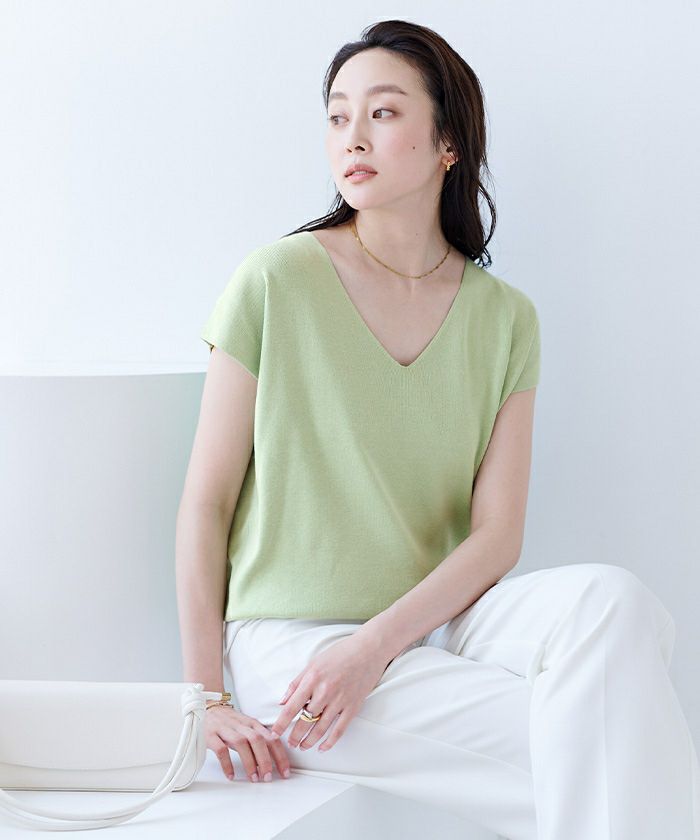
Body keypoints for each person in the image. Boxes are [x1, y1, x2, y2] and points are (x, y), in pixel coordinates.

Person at [176, 19, 700, 840]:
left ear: (448, 142)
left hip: (436, 626)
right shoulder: (276, 281)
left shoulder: (506, 319)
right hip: (296, 649)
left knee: (614, 603)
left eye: (382, 113)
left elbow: (496, 538)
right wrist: (206, 697)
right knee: (617, 740)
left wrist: (376, 648)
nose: (352, 136)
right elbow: (205, 503)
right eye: (338, 115)